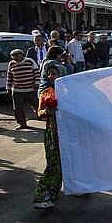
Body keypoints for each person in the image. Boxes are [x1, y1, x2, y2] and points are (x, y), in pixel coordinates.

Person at [33, 45, 68, 209]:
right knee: (54, 164)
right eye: (49, 73)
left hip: (69, 132)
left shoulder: (70, 90)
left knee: (73, 161)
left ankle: (80, 187)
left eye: (54, 73)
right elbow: (39, 113)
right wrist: (47, 111)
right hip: (53, 133)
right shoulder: (46, 92)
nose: (51, 76)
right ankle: (45, 195)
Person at [6, 49, 40, 130]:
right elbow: (9, 76)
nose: (15, 57)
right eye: (13, 56)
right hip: (17, 90)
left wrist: (37, 83)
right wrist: (8, 88)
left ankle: (42, 117)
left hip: (30, 89)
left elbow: (36, 72)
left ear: (21, 55)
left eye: (16, 55)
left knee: (36, 105)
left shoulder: (30, 61)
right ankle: (22, 123)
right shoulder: (11, 64)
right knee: (18, 108)